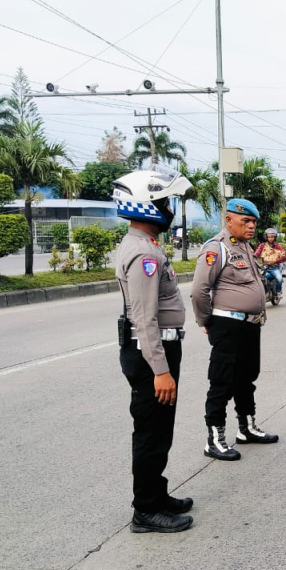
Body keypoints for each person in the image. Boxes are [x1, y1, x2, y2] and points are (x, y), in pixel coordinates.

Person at [112, 168, 194, 533]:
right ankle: (145, 509)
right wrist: (160, 370)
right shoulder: (143, 254)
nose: (168, 207)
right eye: (163, 201)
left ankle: (157, 494)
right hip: (151, 356)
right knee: (150, 432)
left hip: (155, 351)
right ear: (146, 206)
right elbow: (144, 318)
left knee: (161, 430)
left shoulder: (146, 247)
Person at [192, 198, 280, 461]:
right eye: (246, 221)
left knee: (246, 378)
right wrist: (207, 321)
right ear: (229, 220)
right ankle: (215, 439)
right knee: (221, 382)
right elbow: (199, 292)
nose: (252, 226)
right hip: (227, 325)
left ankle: (247, 428)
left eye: (254, 222)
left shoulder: (245, 248)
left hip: (249, 325)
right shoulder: (217, 249)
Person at [255, 228, 286, 300]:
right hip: (265, 267)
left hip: (274, 268)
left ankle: (278, 292)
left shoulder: (278, 246)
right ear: (266, 237)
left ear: (275, 237)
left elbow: (285, 255)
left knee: (279, 278)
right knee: (259, 279)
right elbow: (257, 253)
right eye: (269, 237)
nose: (270, 238)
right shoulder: (262, 245)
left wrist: (277, 260)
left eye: (272, 237)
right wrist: (253, 257)